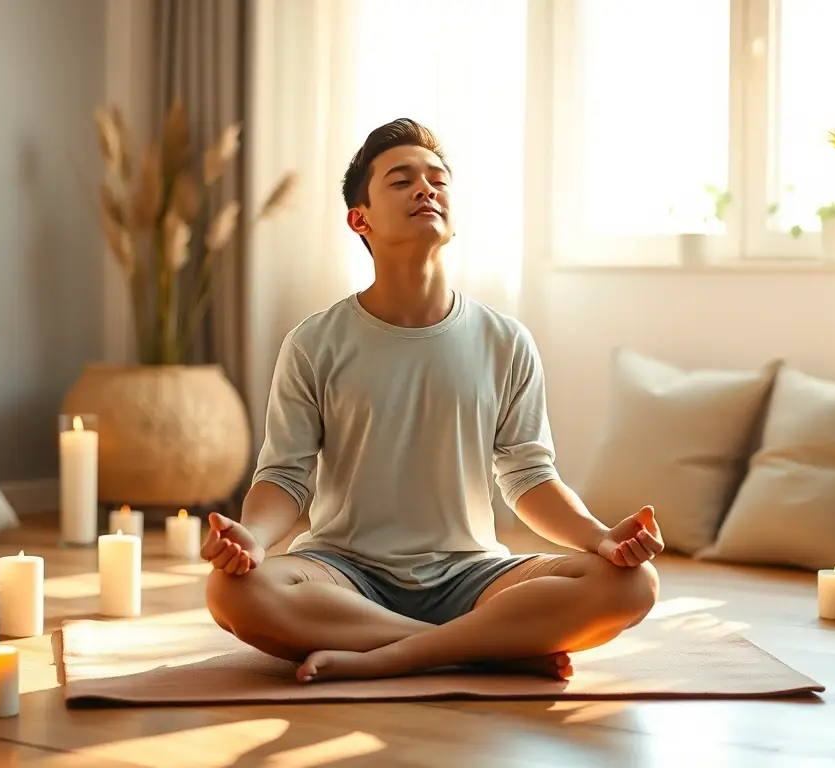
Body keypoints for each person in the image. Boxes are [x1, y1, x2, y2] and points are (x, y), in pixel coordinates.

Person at [203, 118, 662, 683]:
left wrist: (601, 537)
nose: (426, 189)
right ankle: (483, 649)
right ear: (359, 218)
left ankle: (394, 655)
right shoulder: (313, 342)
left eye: (438, 180)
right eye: (401, 180)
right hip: (344, 573)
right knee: (233, 591)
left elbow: (528, 476)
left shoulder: (506, 340)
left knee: (632, 583)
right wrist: (255, 539)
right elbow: (286, 474)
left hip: (474, 575)